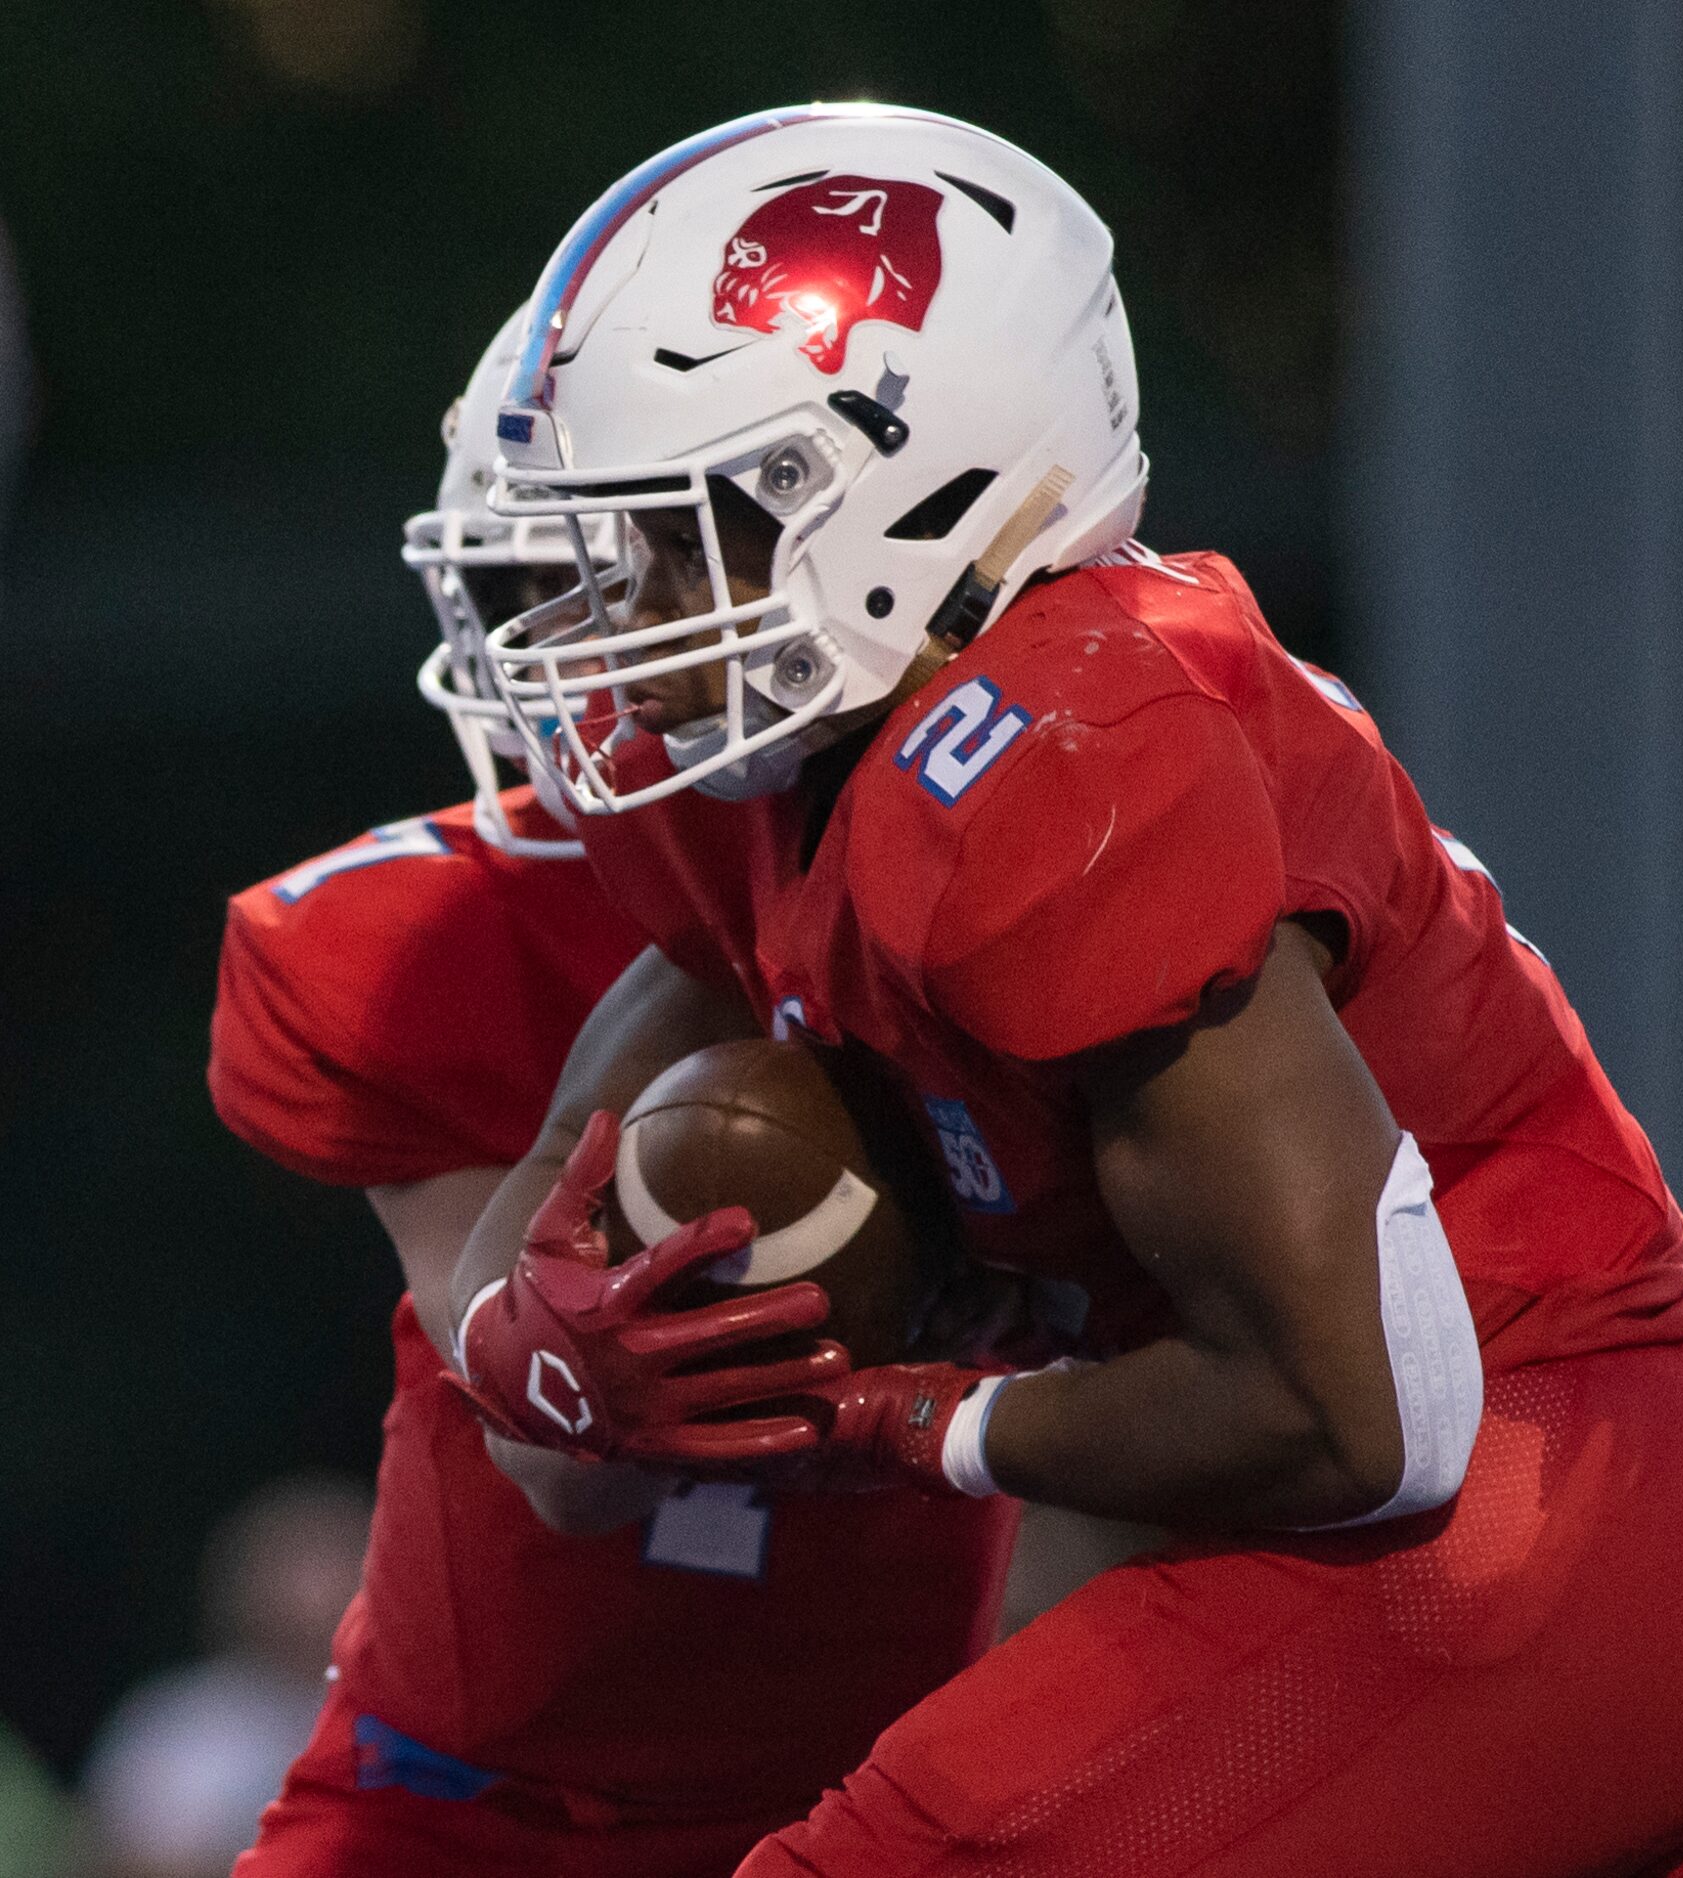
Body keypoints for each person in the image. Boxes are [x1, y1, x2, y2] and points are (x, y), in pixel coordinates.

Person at [443, 103, 1683, 1875]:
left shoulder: (1055, 762)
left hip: (1529, 1523)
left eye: (686, 531)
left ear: (910, 485)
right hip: (1638, 1559)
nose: (627, 603)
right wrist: (532, 1345)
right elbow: (585, 1130)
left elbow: (1358, 1412)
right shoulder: (801, 789)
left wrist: (910, 1417)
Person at [207, 311, 1018, 1878]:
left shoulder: (991, 856)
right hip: (463, 1787)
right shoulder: (408, 948)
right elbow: (551, 1453)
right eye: (546, 589)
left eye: (640, 569)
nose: (602, 639)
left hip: (902, 1780)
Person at [81, 1476, 367, 1878]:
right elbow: (137, 1857)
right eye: (293, 1564)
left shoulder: (430, 1723)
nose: (312, 1595)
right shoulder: (183, 1725)